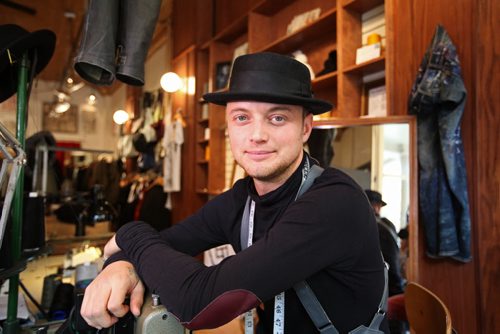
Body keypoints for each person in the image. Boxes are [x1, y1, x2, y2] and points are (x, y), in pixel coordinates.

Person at [80, 52, 389, 333]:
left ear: (306, 128)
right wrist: (119, 266)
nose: (257, 135)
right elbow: (163, 244)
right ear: (228, 127)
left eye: (277, 118)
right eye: (242, 117)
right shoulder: (244, 197)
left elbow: (199, 303)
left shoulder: (334, 203)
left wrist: (130, 232)